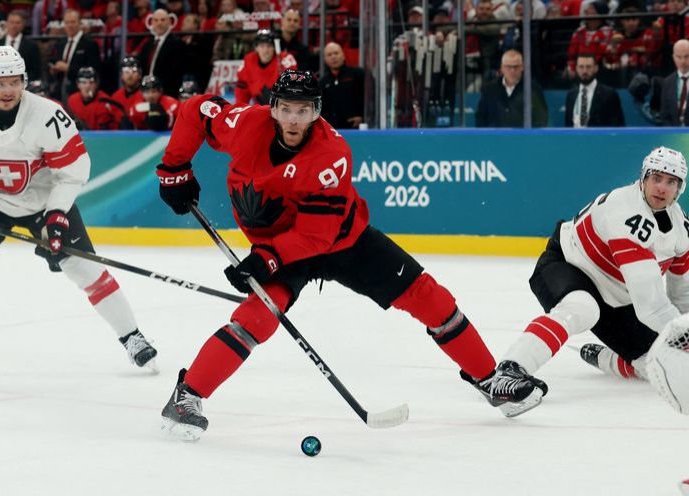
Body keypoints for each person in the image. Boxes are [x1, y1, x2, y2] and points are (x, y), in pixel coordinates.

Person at [154, 70, 546, 441]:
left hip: (341, 239)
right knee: (257, 317)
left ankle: (488, 378)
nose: (293, 119)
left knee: (428, 296)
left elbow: (316, 233)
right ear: (272, 107)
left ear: (317, 112)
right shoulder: (243, 124)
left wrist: (267, 259)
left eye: (304, 110)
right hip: (280, 244)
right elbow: (195, 111)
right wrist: (174, 169)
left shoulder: (331, 153)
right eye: (286, 108)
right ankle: (187, 395)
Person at [0, 46, 158, 377]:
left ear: (24, 81)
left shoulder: (48, 116)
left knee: (83, 268)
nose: (7, 91)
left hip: (43, 204)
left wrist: (57, 214)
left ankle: (132, 337)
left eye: (14, 82)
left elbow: (74, 171)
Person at [496, 147, 689, 397]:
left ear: (679, 188)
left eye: (671, 181)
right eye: (656, 178)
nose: (662, 187)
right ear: (643, 179)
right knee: (582, 308)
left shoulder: (682, 231)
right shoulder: (625, 209)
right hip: (567, 265)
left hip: (617, 300)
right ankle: (509, 371)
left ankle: (606, 358)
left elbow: (682, 296)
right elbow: (652, 307)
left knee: (658, 361)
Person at [475, 49, 548, 127]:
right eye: (508, 66)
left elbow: (542, 119)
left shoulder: (533, 89)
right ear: (502, 68)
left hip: (523, 138)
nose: (512, 70)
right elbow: (480, 118)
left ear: (522, 67)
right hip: (495, 138)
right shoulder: (490, 89)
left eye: (516, 66)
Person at [48, 9, 101, 101]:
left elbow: (93, 69)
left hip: (80, 91)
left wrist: (69, 68)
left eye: (72, 22)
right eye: (67, 22)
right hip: (60, 90)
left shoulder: (89, 44)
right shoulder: (61, 43)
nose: (69, 25)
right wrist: (54, 69)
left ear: (80, 23)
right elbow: (53, 60)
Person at [234, 29, 297, 105]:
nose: (265, 50)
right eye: (262, 46)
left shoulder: (285, 60)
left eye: (269, 46)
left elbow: (294, 90)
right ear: (256, 48)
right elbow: (242, 92)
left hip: (283, 109)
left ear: (274, 48)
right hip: (259, 110)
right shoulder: (248, 61)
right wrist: (241, 109)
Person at [135, 9, 185, 97]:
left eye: (163, 20)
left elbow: (175, 72)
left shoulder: (177, 44)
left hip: (166, 92)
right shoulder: (147, 44)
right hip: (145, 91)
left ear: (169, 22)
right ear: (152, 23)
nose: (159, 23)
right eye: (156, 20)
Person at [565, 54, 625, 127]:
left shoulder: (609, 94)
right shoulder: (571, 95)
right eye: (581, 67)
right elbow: (567, 127)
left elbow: (619, 127)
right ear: (576, 68)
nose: (584, 71)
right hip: (574, 137)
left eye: (588, 67)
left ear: (596, 68)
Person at [319, 41, 365, 129]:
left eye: (336, 53)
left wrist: (362, 116)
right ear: (325, 59)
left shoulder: (358, 74)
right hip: (333, 130)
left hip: (356, 128)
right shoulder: (322, 82)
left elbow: (369, 100)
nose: (333, 57)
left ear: (343, 55)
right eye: (329, 55)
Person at [0, 10, 43, 83]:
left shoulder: (32, 46)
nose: (14, 26)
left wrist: (18, 80)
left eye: (17, 23)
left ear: (23, 24)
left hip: (23, 84)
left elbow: (35, 71)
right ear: (6, 23)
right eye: (11, 22)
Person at [658, 39, 689, 126]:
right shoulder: (667, 82)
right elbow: (664, 115)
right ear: (674, 58)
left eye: (687, 56)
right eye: (679, 57)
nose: (683, 61)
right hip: (673, 135)